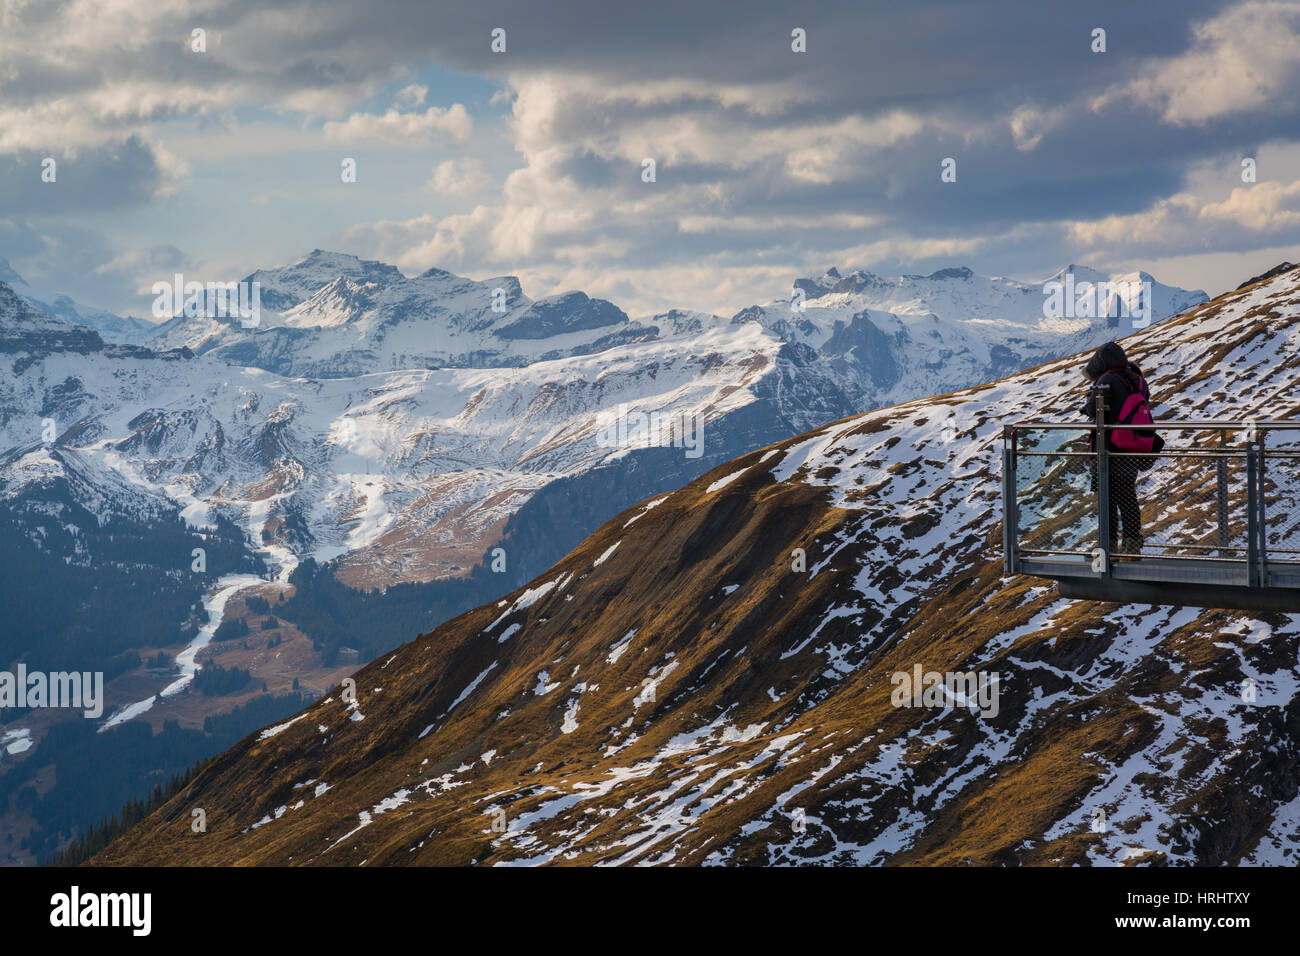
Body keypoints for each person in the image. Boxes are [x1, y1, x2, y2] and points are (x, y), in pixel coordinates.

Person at [1081, 341, 1151, 555]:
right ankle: (1132, 543)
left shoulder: (1106, 380)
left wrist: (1088, 400)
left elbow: (1093, 409)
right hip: (1131, 448)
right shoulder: (1137, 378)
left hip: (1109, 449)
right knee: (1128, 497)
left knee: (1107, 499)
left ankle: (1107, 544)